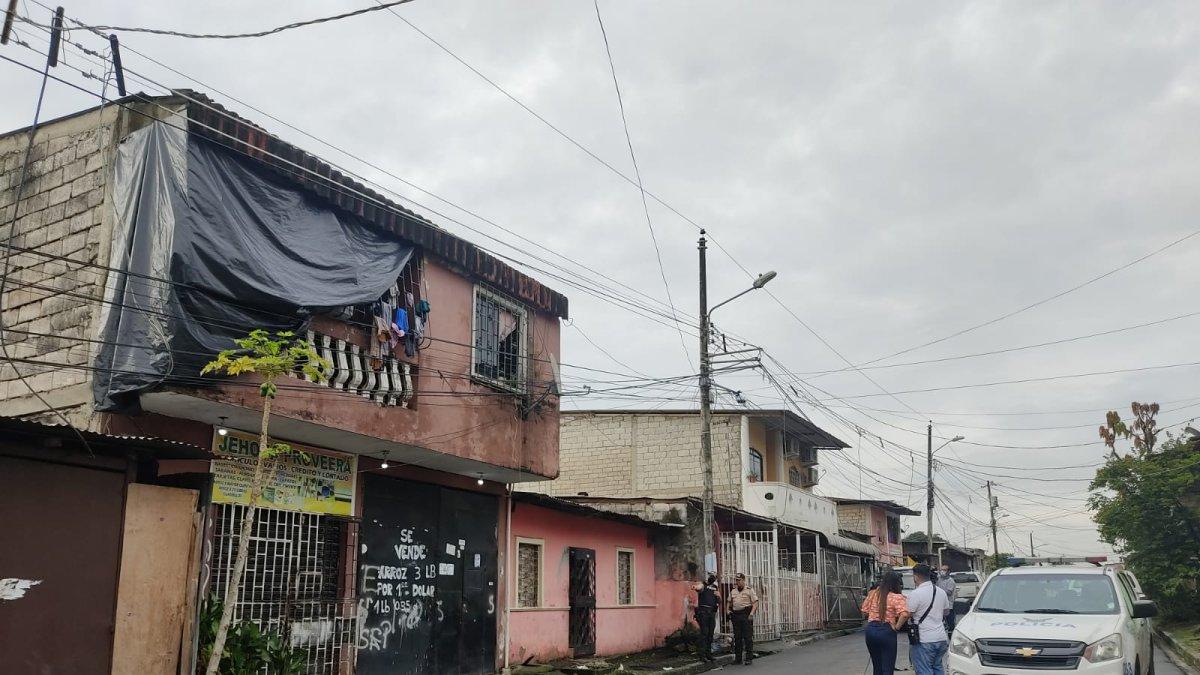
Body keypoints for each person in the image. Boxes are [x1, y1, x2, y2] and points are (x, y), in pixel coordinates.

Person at [860, 570, 909, 675]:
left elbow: (864, 610)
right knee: (887, 667)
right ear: (896, 583)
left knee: (877, 666)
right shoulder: (897, 597)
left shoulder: (872, 594)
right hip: (887, 631)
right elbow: (904, 614)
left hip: (871, 630)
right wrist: (896, 627)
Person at [906, 564, 950, 675]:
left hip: (924, 640)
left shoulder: (915, 594)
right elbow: (946, 612)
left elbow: (908, 614)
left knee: (924, 670)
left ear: (915, 577)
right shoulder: (941, 592)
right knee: (937, 667)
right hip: (941, 638)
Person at [727, 573, 759, 665]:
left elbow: (755, 603)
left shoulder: (749, 590)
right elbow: (729, 601)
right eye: (736, 580)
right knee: (737, 637)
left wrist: (751, 613)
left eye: (739, 580)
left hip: (746, 614)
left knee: (747, 637)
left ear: (744, 580)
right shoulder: (733, 591)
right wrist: (727, 610)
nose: (737, 582)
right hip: (736, 615)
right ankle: (738, 659)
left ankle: (749, 658)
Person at [692, 573, 720, 661]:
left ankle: (709, 654)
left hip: (712, 613)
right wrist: (695, 587)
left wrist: (719, 596)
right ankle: (702, 655)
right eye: (712, 576)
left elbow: (719, 601)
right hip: (703, 612)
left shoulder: (715, 587)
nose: (713, 578)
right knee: (704, 633)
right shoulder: (703, 584)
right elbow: (699, 587)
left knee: (710, 634)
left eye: (715, 577)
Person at [936, 564, 957, 634]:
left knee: (950, 624)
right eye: (941, 570)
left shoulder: (950, 581)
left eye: (944, 570)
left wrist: (939, 590)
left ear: (948, 571)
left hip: (948, 606)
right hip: (939, 606)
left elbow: (949, 592)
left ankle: (951, 637)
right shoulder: (939, 579)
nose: (942, 571)